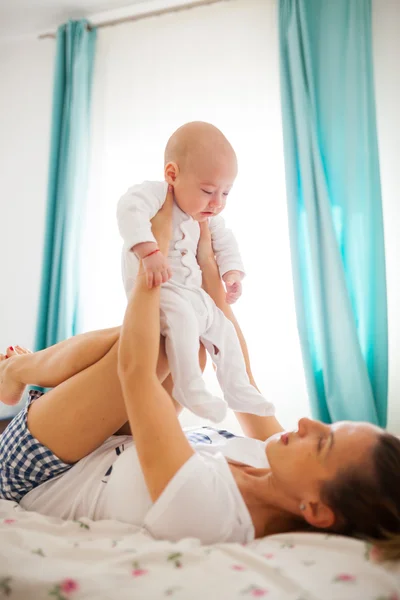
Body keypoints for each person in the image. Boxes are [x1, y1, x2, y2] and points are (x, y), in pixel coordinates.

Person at [1, 187, 400, 560]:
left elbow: (135, 373)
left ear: (315, 509)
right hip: (106, 441)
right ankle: (20, 370)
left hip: (40, 471)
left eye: (323, 443)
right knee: (191, 343)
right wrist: (207, 263)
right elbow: (242, 376)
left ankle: (18, 369)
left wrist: (151, 255)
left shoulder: (211, 511)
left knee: (164, 346)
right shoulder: (273, 462)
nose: (309, 423)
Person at [117, 121, 271, 422]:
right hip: (159, 289)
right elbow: (128, 209)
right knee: (184, 323)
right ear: (173, 175)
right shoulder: (157, 195)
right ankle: (189, 387)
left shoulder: (206, 216)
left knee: (223, 328)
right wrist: (148, 250)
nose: (217, 204)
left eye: (226, 193)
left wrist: (233, 273)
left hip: (192, 293)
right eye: (208, 191)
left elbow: (225, 243)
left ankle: (237, 388)